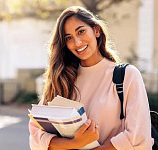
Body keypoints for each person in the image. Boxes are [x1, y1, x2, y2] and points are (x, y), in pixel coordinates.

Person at [29, 6, 154, 150]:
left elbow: (137, 137)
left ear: (96, 30)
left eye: (81, 31)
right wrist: (75, 143)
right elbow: (36, 138)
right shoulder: (62, 79)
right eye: (68, 38)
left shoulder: (127, 76)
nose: (77, 43)